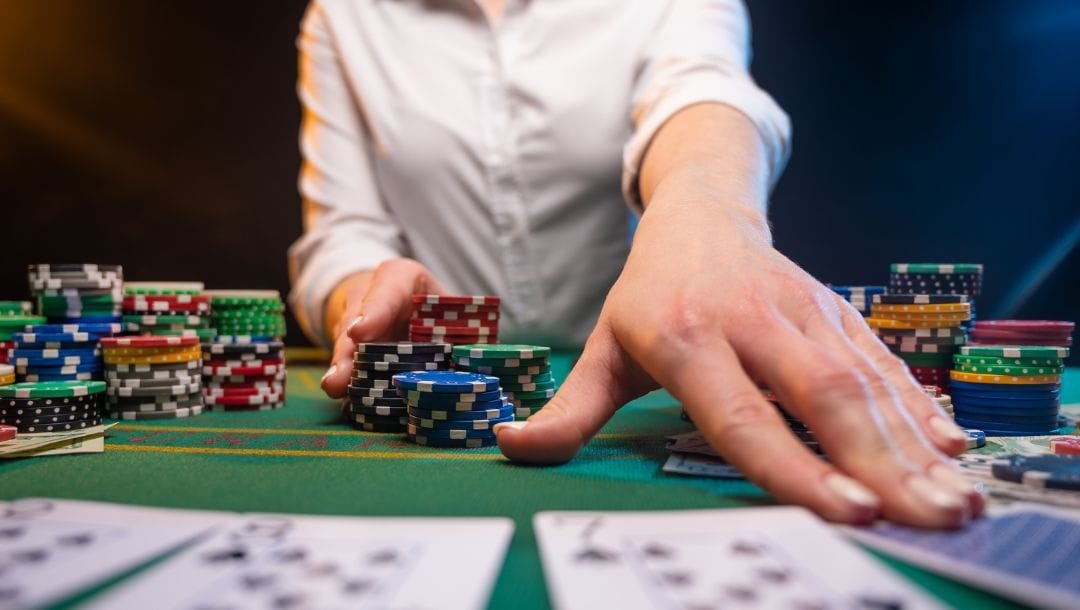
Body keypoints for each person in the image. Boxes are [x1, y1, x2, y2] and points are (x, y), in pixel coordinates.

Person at [287, 0, 985, 528]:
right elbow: (341, 233)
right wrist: (363, 295)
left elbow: (702, 88)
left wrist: (707, 210)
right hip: (439, 379)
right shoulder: (344, 15)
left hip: (651, 373)